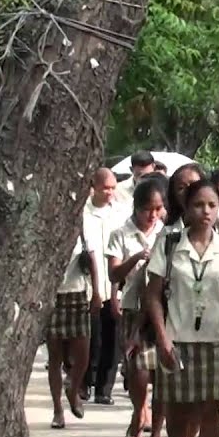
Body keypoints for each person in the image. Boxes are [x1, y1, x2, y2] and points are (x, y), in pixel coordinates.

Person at [144, 179, 219, 437]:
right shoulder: (169, 244)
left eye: (212, 205)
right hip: (177, 338)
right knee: (177, 409)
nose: (206, 212)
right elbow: (152, 294)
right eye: (199, 205)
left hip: (217, 339)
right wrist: (162, 337)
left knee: (210, 412)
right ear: (186, 208)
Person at [110, 179, 168, 437]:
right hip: (134, 307)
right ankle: (139, 409)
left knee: (164, 377)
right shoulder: (121, 233)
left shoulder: (168, 233)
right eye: (148, 209)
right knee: (139, 370)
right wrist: (135, 258)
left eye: (158, 209)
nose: (153, 215)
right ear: (136, 206)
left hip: (163, 308)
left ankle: (156, 433)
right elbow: (114, 274)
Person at [45, 206, 102, 429]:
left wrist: (97, 293)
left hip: (78, 294)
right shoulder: (45, 226)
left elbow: (93, 260)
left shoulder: (81, 223)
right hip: (53, 296)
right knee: (55, 358)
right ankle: (57, 410)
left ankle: (74, 386)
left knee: (83, 354)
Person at [84, 168, 130, 405]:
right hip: (89, 283)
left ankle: (104, 389)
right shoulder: (84, 213)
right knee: (91, 336)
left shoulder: (122, 213)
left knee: (112, 338)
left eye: (113, 188)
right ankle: (85, 381)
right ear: (95, 186)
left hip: (114, 282)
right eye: (106, 188)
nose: (110, 192)